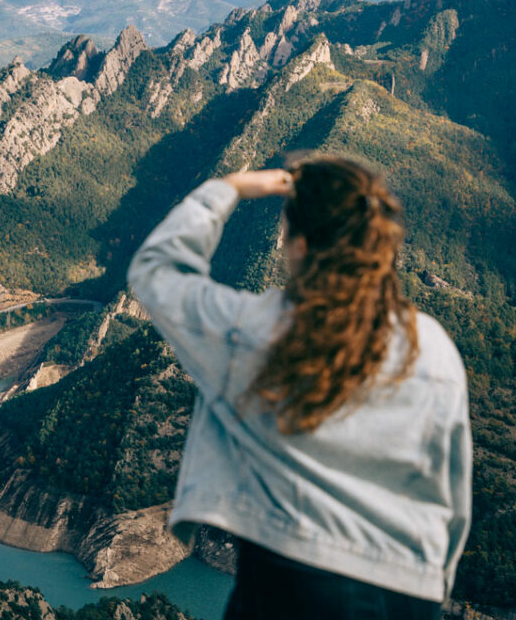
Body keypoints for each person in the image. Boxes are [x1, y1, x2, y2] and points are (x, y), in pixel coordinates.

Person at [127, 157, 471, 620]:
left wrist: (227, 188)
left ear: (301, 246)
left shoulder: (255, 331)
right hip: (409, 591)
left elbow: (155, 272)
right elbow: (451, 493)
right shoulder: (432, 347)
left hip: (294, 582)